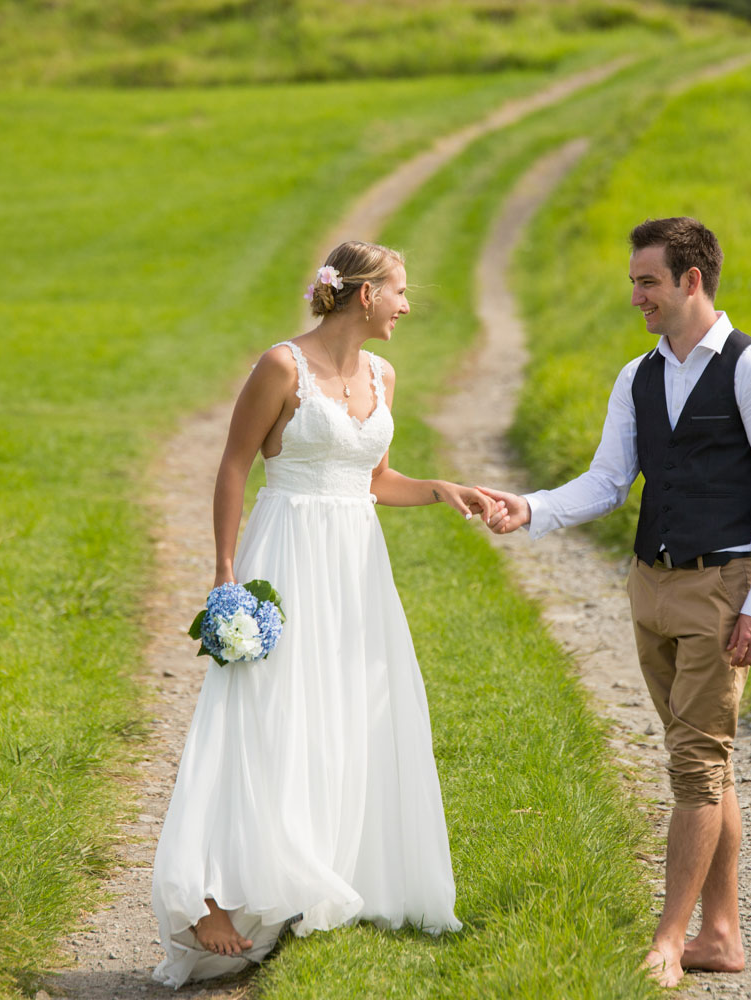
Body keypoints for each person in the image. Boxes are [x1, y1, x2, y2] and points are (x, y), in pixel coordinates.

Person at [151, 240, 491, 988]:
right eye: (400, 292)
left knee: (347, 710)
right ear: (362, 295)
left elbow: (372, 480)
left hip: (356, 566)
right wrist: (224, 574)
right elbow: (235, 465)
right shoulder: (281, 367)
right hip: (287, 553)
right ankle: (209, 894)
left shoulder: (383, 374)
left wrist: (438, 487)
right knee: (260, 712)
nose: (408, 305)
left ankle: (318, 873)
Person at [481, 217, 751, 987]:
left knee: (696, 764)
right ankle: (721, 935)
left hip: (723, 585)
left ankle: (668, 939)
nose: (636, 297)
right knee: (703, 760)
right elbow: (606, 480)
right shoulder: (638, 376)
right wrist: (529, 508)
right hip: (649, 585)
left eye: (647, 282)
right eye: (635, 282)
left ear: (692, 280)